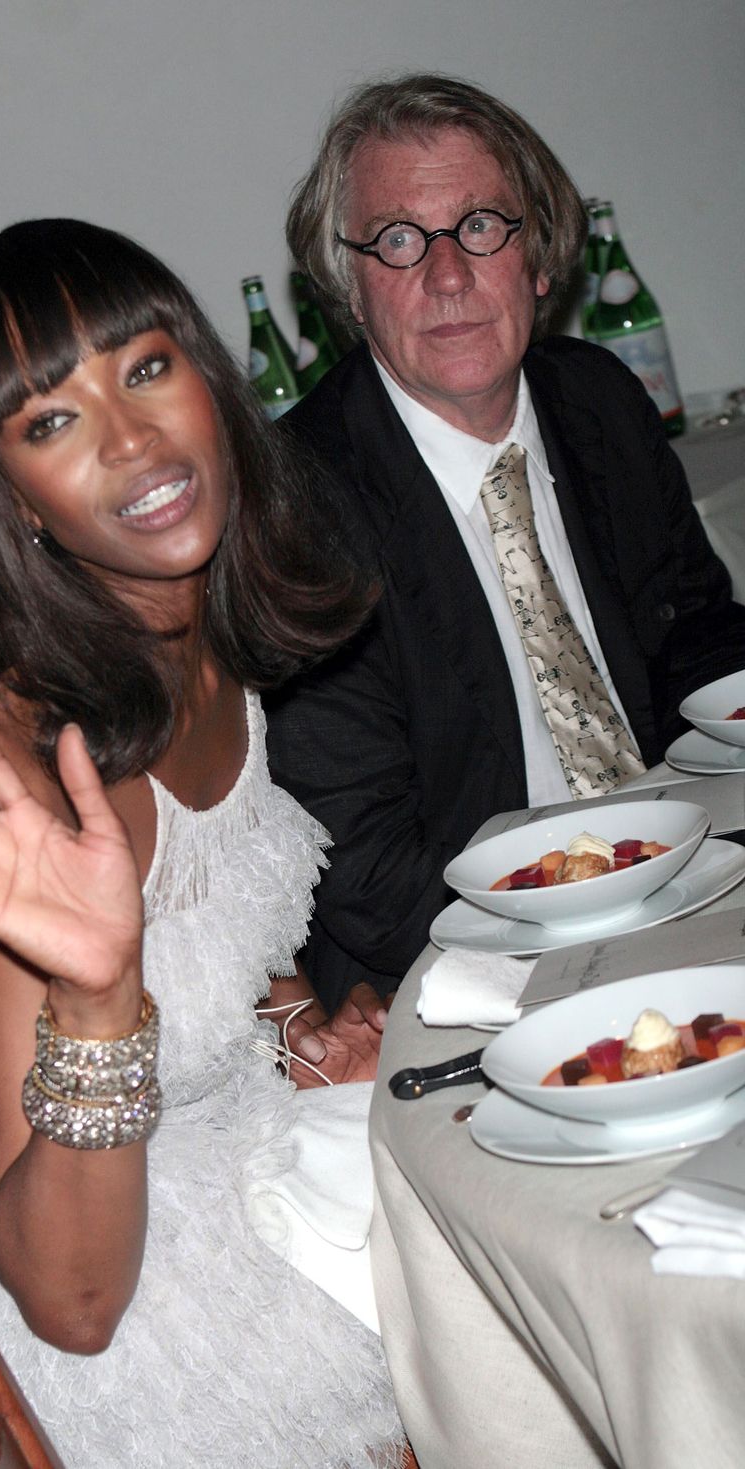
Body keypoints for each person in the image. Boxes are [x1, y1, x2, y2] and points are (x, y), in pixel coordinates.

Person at [0, 219, 405, 1469]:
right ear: (12, 504)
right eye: (50, 421)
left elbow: (227, 907)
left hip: (212, 1143)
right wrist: (100, 998)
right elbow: (74, 1302)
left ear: (211, 380)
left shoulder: (201, 638)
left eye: (146, 367)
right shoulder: (9, 790)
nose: (130, 440)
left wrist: (294, 1022)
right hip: (74, 1258)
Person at [265, 73, 745, 1012]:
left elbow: (696, 634)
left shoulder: (598, 399)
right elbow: (366, 866)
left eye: (482, 225)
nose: (449, 277)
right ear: (350, 290)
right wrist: (581, 971)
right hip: (474, 965)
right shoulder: (299, 505)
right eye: (400, 241)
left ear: (540, 259)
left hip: (685, 877)